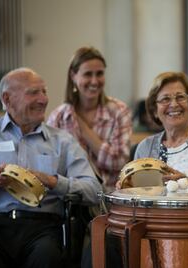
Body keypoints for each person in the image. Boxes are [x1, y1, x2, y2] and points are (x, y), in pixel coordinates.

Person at [0, 68, 102, 268]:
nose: (43, 99)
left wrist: (53, 181)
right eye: (34, 92)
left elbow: (94, 190)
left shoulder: (62, 140)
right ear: (7, 99)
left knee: (48, 256)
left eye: (44, 92)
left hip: (42, 227)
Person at [47, 46, 132, 193]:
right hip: (71, 200)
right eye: (87, 74)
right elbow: (52, 167)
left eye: (99, 74)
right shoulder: (59, 117)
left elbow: (119, 163)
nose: (94, 81)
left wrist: (83, 129)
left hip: (110, 200)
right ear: (73, 76)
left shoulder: (119, 111)